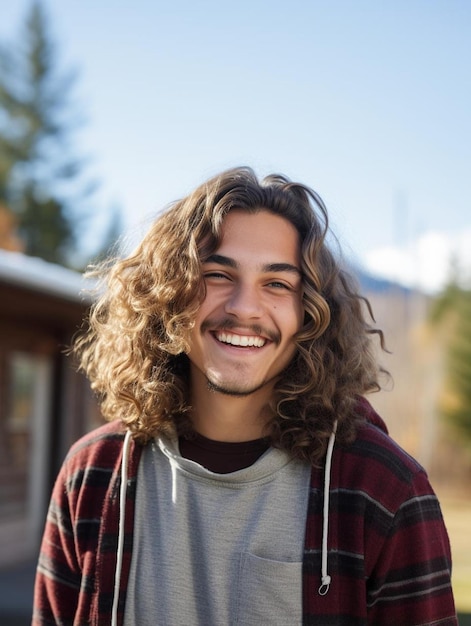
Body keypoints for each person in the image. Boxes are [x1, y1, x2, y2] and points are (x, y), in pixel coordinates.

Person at [33, 166, 457, 625]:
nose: (243, 308)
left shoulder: (385, 490)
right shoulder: (93, 474)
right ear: (169, 293)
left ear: (311, 314)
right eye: (217, 274)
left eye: (277, 284)